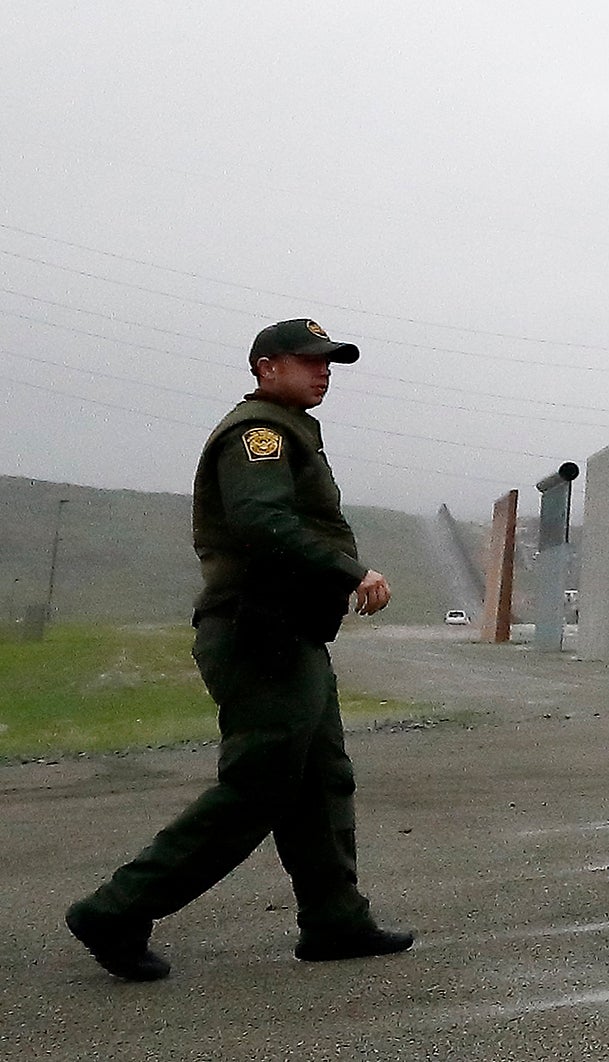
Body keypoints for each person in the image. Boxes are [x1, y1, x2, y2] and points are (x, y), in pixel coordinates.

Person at [65, 319, 414, 980]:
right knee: (259, 786)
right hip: (259, 635)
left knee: (318, 779)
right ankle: (117, 908)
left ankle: (334, 919)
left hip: (289, 635)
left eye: (330, 361)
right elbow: (262, 521)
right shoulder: (258, 433)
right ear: (264, 367)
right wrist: (351, 572)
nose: (324, 369)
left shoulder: (291, 430)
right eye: (308, 360)